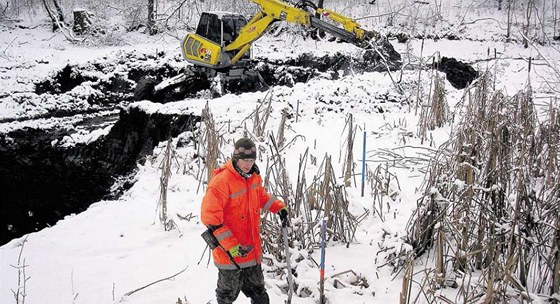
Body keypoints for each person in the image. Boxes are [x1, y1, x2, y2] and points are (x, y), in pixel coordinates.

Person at [201, 137, 289, 304]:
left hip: (251, 249)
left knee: (259, 294)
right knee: (227, 296)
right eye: (244, 160)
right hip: (229, 253)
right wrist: (231, 246)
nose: (248, 164)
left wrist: (279, 208)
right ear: (236, 158)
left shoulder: (253, 177)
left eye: (251, 160)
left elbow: (261, 196)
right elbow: (210, 217)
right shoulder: (221, 182)